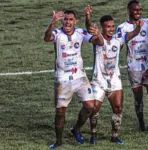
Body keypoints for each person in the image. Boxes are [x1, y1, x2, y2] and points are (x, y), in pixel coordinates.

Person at [80, 6, 143, 145]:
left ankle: (115, 136)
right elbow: (89, 27)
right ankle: (93, 135)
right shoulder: (97, 39)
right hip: (99, 81)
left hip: (114, 80)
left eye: (113, 26)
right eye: (108, 27)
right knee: (94, 109)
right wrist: (88, 18)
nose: (111, 29)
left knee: (118, 108)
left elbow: (133, 34)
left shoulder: (118, 39)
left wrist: (138, 27)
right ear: (102, 27)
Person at [43, 9, 104, 149]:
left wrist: (98, 34)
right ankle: (58, 141)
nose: (67, 22)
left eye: (71, 19)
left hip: (80, 77)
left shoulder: (81, 33)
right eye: (65, 19)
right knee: (60, 112)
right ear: (62, 21)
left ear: (75, 21)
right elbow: (46, 38)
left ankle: (75, 129)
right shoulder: (57, 33)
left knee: (90, 106)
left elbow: (99, 42)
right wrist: (52, 23)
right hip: (63, 78)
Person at [116, 0, 148, 133]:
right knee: (138, 98)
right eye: (135, 10)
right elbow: (116, 46)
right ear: (129, 11)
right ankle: (141, 123)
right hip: (133, 67)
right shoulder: (122, 28)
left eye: (140, 10)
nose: (138, 12)